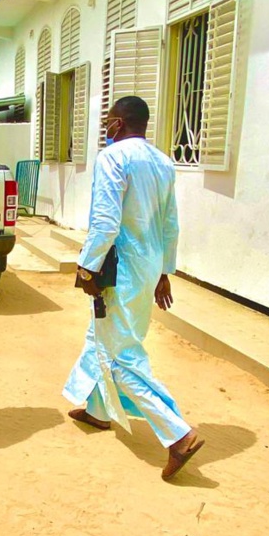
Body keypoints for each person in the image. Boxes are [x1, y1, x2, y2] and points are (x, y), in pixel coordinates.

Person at [64, 96, 204, 481]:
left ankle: (177, 434)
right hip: (146, 267)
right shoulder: (162, 162)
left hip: (119, 266)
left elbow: (106, 222)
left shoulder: (114, 158)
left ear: (119, 123)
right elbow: (169, 223)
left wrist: (87, 266)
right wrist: (163, 271)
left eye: (108, 121)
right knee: (105, 335)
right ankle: (98, 410)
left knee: (121, 352)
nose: (106, 128)